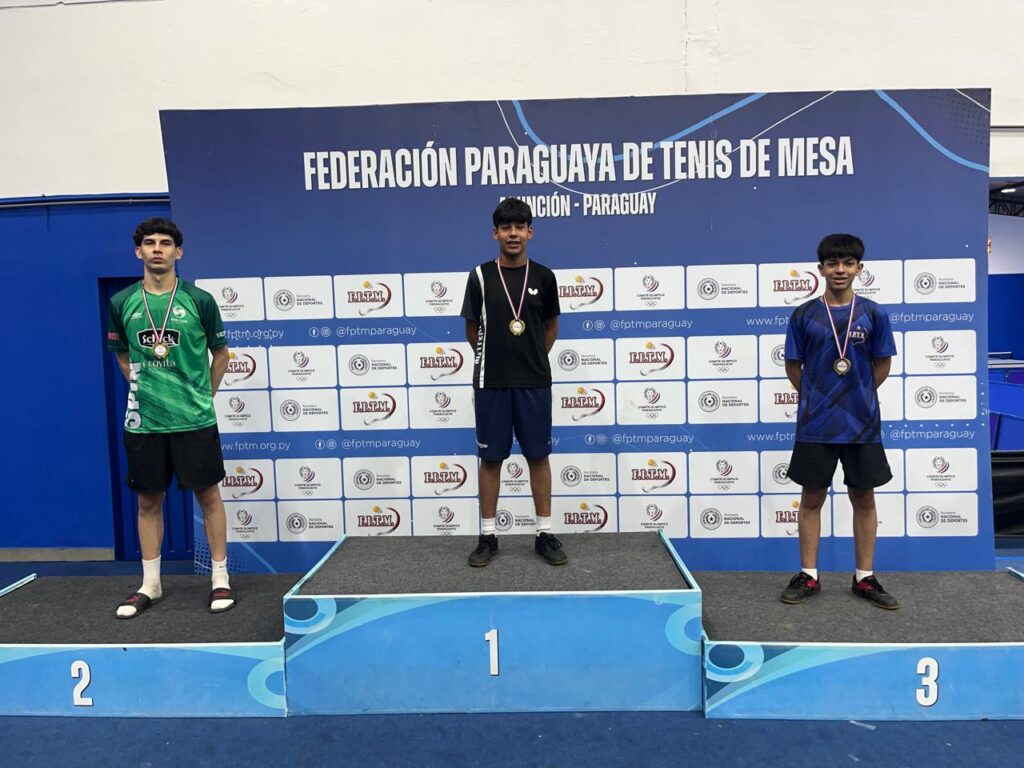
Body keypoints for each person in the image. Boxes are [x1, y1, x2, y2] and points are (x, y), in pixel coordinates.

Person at [107, 217, 235, 618]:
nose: (157, 249)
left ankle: (220, 578)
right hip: (144, 422)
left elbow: (221, 354)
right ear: (138, 252)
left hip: (194, 420)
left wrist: (202, 397)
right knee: (148, 501)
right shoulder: (122, 302)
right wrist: (146, 393)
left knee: (209, 496)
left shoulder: (199, 300)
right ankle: (151, 584)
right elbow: (122, 356)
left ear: (178, 252)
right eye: (150, 243)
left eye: (165, 243)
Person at [780, 233, 900, 610]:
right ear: (821, 269)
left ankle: (864, 577)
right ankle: (809, 575)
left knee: (863, 497)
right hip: (815, 425)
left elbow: (882, 364)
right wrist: (819, 399)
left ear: (859, 268)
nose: (840, 269)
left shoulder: (874, 313)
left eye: (848, 263)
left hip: (861, 424)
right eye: (832, 263)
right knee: (811, 498)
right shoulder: (804, 315)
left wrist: (855, 396)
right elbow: (793, 366)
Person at [461, 199, 565, 566]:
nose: (513, 234)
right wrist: (497, 360)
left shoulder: (545, 277)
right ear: (495, 233)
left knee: (538, 456)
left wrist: (530, 358)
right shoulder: (479, 276)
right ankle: (488, 537)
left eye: (520, 227)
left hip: (534, 381)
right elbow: (472, 329)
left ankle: (544, 534)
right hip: (491, 381)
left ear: (530, 232)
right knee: (491, 460)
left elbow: (551, 327)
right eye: (506, 227)